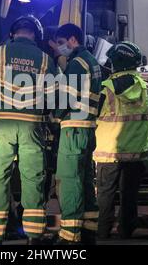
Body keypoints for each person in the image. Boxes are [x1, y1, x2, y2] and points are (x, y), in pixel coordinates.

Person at [0, 15, 57, 245]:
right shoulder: (44, 58)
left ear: (13, 33)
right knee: (33, 178)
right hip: (32, 124)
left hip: (2, 124)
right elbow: (53, 96)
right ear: (36, 35)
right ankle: (34, 236)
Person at [94, 42, 148, 239]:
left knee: (105, 195)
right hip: (135, 153)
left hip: (108, 152)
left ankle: (103, 232)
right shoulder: (147, 88)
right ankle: (126, 232)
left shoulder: (107, 88)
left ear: (116, 63)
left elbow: (94, 112)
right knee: (129, 195)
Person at [53, 23, 102, 244]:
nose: (60, 49)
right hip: (88, 128)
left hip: (73, 127)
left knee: (70, 180)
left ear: (73, 40)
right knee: (84, 181)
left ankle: (69, 236)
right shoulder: (92, 61)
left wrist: (54, 117)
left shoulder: (76, 63)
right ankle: (90, 230)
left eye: (62, 43)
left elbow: (67, 98)